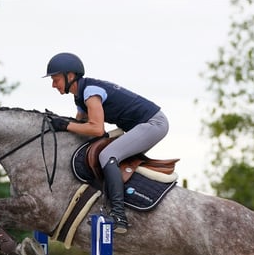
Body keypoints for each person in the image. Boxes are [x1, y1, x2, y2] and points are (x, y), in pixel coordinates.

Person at [43, 52, 169, 233]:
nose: (54, 85)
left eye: (55, 79)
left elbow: (96, 129)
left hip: (153, 124)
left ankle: (119, 215)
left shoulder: (90, 92)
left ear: (70, 76)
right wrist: (61, 124)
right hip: (139, 126)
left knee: (108, 155)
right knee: (100, 152)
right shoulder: (80, 96)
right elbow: (80, 125)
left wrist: (65, 125)